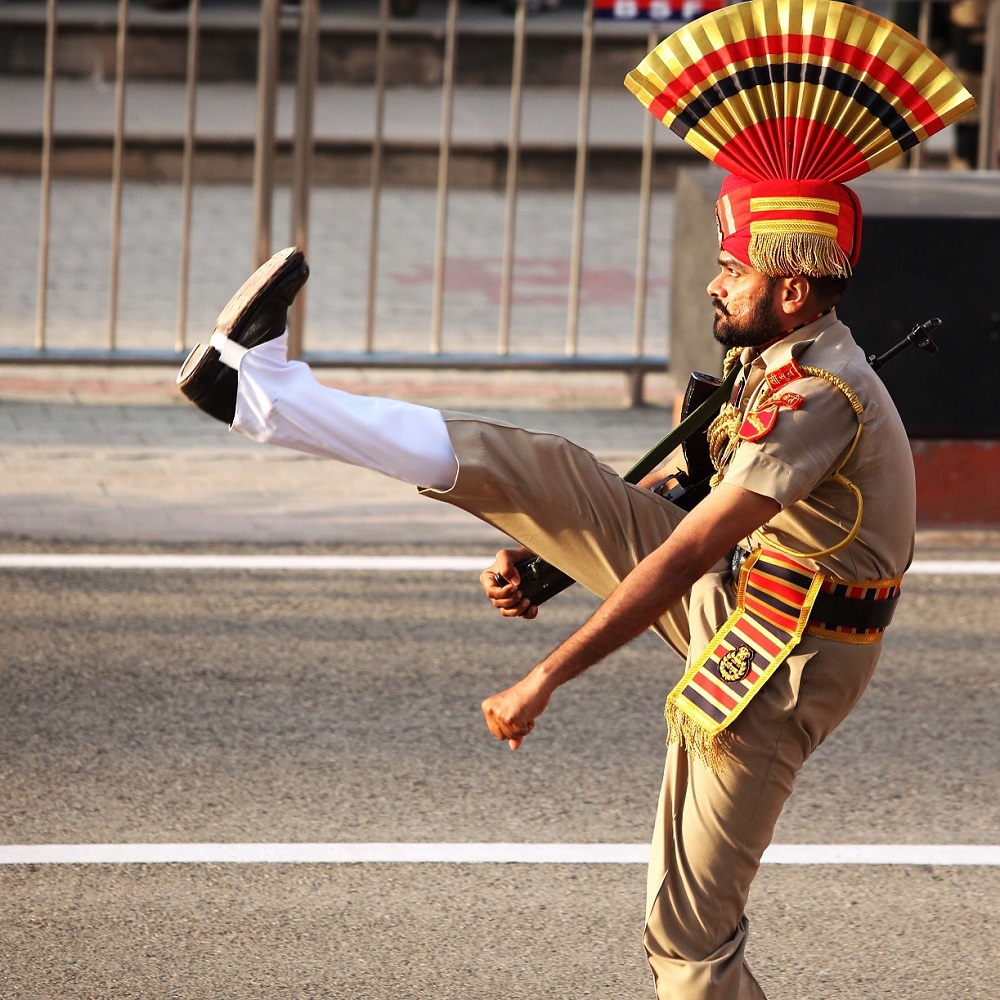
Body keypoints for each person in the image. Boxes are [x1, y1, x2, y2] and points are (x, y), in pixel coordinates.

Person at [176, 3, 973, 996]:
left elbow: (684, 552)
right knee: (538, 469)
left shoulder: (815, 396)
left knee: (687, 941)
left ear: (796, 293)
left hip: (790, 659)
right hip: (755, 593)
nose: (715, 282)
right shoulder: (772, 359)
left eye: (736, 269)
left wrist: (544, 676)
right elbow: (686, 490)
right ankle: (261, 391)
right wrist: (551, 559)